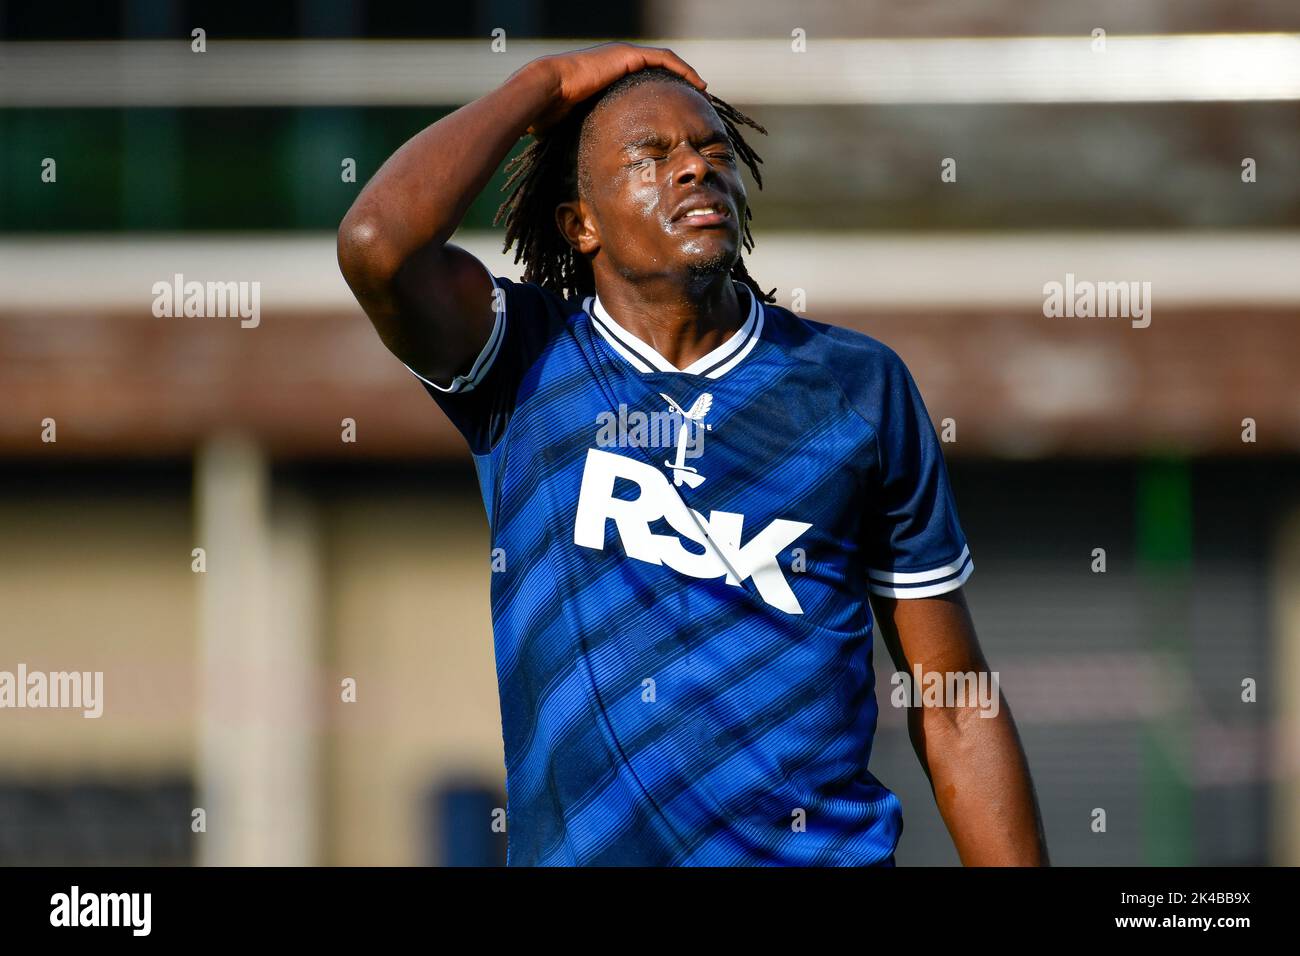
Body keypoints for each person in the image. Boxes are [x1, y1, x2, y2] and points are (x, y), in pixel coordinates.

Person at [337, 42, 1048, 866]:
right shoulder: (523, 360)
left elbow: (953, 699)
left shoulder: (856, 384)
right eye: (652, 156)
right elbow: (377, 242)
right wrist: (547, 85)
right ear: (581, 224)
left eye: (714, 153)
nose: (694, 170)